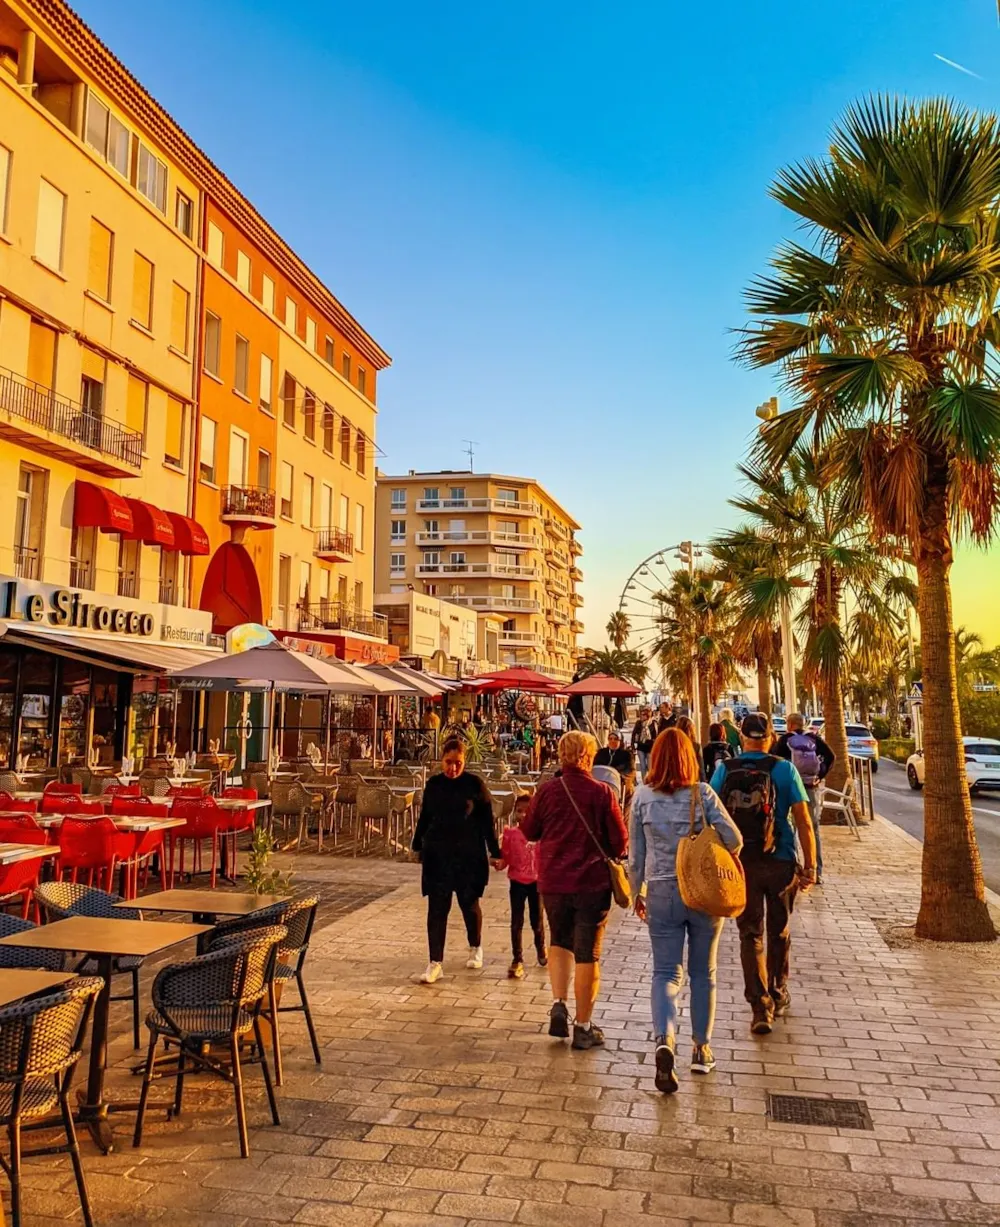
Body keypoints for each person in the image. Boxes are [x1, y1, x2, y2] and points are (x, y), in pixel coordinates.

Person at [630, 729, 743, 1093]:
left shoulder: (642, 797)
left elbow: (636, 857)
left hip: (661, 890)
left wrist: (636, 893)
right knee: (703, 972)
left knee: (665, 972)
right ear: (689, 758)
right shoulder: (703, 794)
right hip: (702, 892)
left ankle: (665, 1039)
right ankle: (701, 1049)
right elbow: (735, 838)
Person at [709, 713, 817, 1035]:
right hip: (781, 859)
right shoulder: (784, 769)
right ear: (770, 738)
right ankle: (778, 991)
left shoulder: (724, 771)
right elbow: (803, 821)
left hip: (742, 864)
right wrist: (810, 865)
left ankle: (759, 1006)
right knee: (779, 930)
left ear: (742, 738)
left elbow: (712, 817)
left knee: (750, 933)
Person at [521, 731, 628, 1050]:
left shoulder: (547, 791)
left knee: (559, 941)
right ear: (588, 757)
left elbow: (529, 830)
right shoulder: (602, 793)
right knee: (588, 953)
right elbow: (619, 842)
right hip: (591, 885)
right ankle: (583, 1026)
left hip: (554, 881)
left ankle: (559, 1003)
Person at [411, 736, 501, 984]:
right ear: (441, 760)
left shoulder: (475, 785)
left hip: (468, 856)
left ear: (464, 761)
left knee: (469, 905)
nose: (452, 768)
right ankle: (435, 962)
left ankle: (476, 945)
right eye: (448, 762)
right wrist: (417, 844)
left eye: (457, 763)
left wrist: (496, 852)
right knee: (437, 909)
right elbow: (425, 817)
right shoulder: (434, 785)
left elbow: (487, 823)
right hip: (437, 855)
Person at [772, 712, 835, 885]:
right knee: (811, 828)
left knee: (788, 826)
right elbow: (831, 757)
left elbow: (773, 759)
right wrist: (820, 776)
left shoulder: (785, 740)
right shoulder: (814, 739)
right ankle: (817, 870)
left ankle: (792, 867)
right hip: (809, 787)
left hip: (787, 788)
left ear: (790, 725)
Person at [499, 796, 547, 979]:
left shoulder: (542, 835)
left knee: (537, 921)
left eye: (527, 811)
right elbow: (506, 859)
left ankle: (540, 949)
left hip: (537, 883)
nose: (523, 814)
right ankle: (517, 958)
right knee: (516, 921)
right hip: (517, 882)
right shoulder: (510, 835)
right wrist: (498, 862)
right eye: (519, 810)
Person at [595, 730, 636, 807]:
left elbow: (631, 770)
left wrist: (620, 776)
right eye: (610, 739)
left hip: (619, 783)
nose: (612, 741)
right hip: (601, 783)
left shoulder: (626, 755)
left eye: (615, 739)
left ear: (620, 741)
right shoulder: (601, 753)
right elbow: (594, 766)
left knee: (629, 792)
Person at [631, 707, 656, 778]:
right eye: (640, 714)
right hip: (640, 746)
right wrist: (632, 745)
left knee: (650, 766)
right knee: (642, 766)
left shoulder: (653, 723)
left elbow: (655, 735)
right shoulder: (638, 723)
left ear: (647, 715)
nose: (641, 716)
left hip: (650, 747)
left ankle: (650, 779)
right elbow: (634, 733)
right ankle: (644, 780)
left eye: (643, 715)